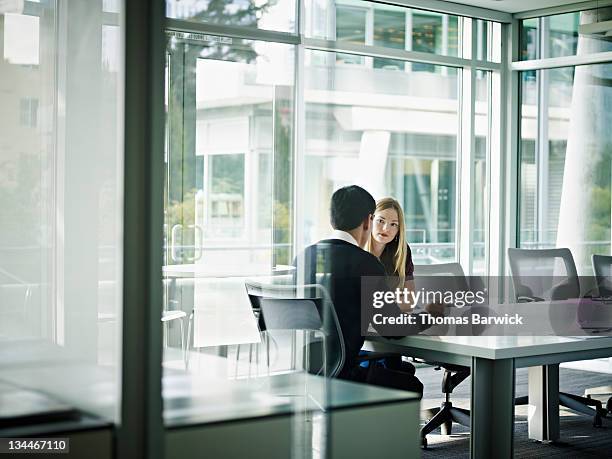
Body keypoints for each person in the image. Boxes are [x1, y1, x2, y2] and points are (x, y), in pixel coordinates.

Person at [295, 185, 426, 395]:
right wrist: (429, 317)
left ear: (332, 219)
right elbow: (391, 329)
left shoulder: (303, 258)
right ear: (368, 221)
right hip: (343, 374)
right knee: (411, 387)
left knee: (401, 371)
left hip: (306, 370)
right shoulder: (365, 263)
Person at [366, 197, 415, 311]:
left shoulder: (401, 250)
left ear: (398, 229)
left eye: (393, 224)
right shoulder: (356, 248)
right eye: (381, 221)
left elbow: (410, 301)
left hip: (388, 320)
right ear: (371, 220)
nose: (386, 228)